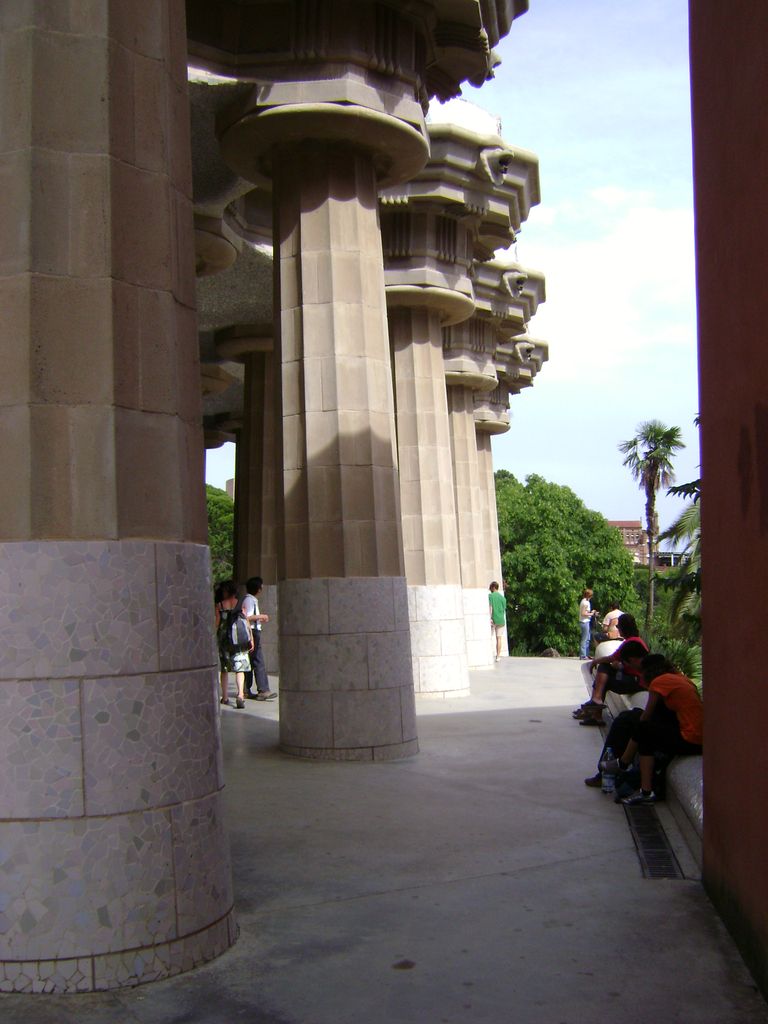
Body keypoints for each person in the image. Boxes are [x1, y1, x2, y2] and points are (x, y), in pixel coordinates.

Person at [603, 654, 703, 805]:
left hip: (691, 738)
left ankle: (625, 765)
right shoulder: (680, 678)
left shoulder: (659, 682)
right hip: (700, 739)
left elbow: (646, 716)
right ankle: (637, 781)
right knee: (646, 732)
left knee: (644, 729)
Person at [575, 614, 648, 725]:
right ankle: (596, 707)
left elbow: (611, 658)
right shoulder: (634, 640)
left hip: (636, 682)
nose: (618, 630)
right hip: (633, 679)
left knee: (604, 674)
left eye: (619, 627)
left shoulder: (631, 642)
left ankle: (596, 707)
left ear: (624, 628)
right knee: (603, 676)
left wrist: (595, 661)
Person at [214, 579, 252, 709]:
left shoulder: (220, 605)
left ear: (226, 591)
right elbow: (246, 622)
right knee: (240, 668)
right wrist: (251, 638)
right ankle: (240, 694)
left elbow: (217, 623)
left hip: (224, 639)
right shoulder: (240, 604)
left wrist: (214, 637)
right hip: (239, 639)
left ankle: (224, 697)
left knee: (224, 668)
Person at [242, 576, 277, 701]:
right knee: (258, 660)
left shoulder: (250, 600)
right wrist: (261, 616)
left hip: (253, 632)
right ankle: (262, 689)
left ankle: (246, 689)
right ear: (258, 588)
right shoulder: (249, 601)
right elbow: (247, 617)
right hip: (252, 632)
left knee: (251, 660)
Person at [489, 582, 507, 662]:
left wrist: (490, 618)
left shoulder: (491, 596)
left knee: (489, 637)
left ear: (493, 587)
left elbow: (490, 608)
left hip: (493, 619)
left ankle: (489, 654)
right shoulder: (503, 598)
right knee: (499, 638)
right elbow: (503, 610)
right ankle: (498, 656)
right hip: (501, 620)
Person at [578, 588, 598, 659]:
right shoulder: (586, 603)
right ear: (589, 595)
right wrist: (592, 613)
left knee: (587, 639)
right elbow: (583, 613)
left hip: (585, 621)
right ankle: (583, 655)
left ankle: (586, 654)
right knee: (585, 638)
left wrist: (591, 613)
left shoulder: (583, 601)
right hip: (584, 622)